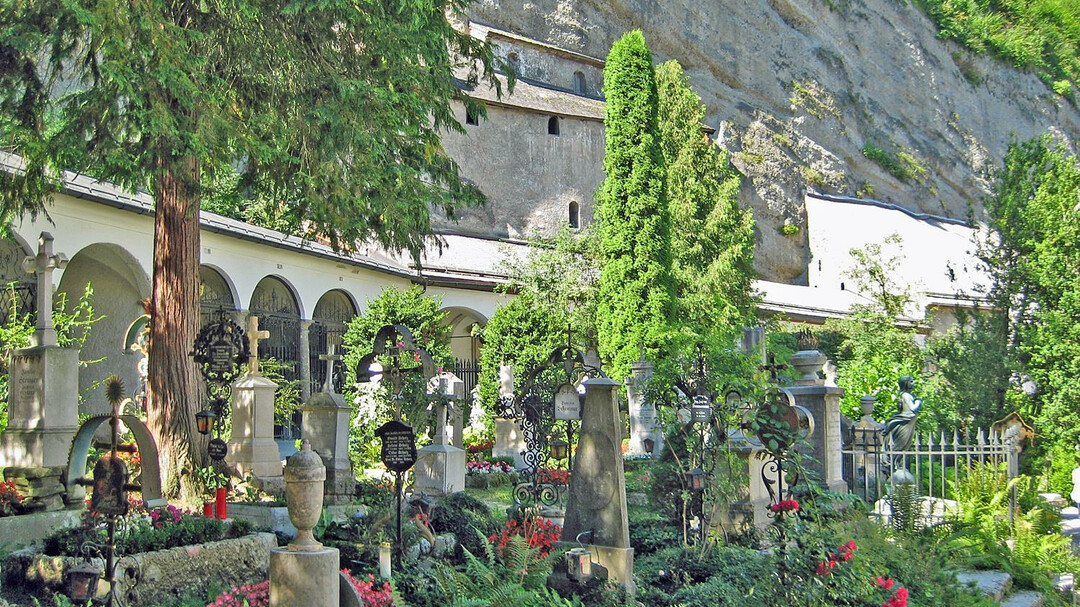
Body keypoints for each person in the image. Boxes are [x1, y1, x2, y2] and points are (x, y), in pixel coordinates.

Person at [881, 375, 921, 452]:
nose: (913, 383)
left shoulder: (906, 395)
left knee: (906, 444)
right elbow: (912, 408)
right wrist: (918, 402)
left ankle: (896, 458)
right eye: (911, 381)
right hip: (906, 420)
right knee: (902, 443)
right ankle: (893, 457)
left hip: (909, 420)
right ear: (906, 383)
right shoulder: (906, 395)